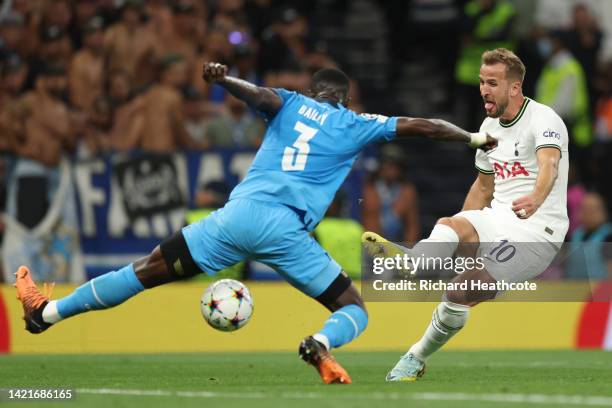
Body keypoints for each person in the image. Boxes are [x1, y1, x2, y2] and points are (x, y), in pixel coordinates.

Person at [15, 62, 495, 385]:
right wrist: (475, 138)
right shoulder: (357, 122)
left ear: (313, 93)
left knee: (144, 271)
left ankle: (46, 314)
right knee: (353, 307)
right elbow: (426, 126)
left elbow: (260, 97)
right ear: (344, 99)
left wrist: (224, 80)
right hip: (288, 233)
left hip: (236, 218)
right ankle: (321, 343)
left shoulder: (289, 102)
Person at [365, 48, 568, 381]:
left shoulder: (544, 120)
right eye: (481, 82)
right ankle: (416, 263)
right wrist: (462, 232)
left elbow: (550, 164)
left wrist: (535, 196)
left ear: (514, 87)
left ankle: (415, 356)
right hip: (498, 217)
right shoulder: (489, 127)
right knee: (449, 224)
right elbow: (483, 187)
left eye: (493, 83)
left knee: (458, 294)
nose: (484, 89)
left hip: (537, 232)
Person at [362, 145, 420, 243]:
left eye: (396, 166)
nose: (392, 169)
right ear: (380, 166)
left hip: (397, 244)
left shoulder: (407, 191)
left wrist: (409, 252)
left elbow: (412, 226)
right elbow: (367, 223)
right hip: (372, 245)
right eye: (388, 165)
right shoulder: (369, 188)